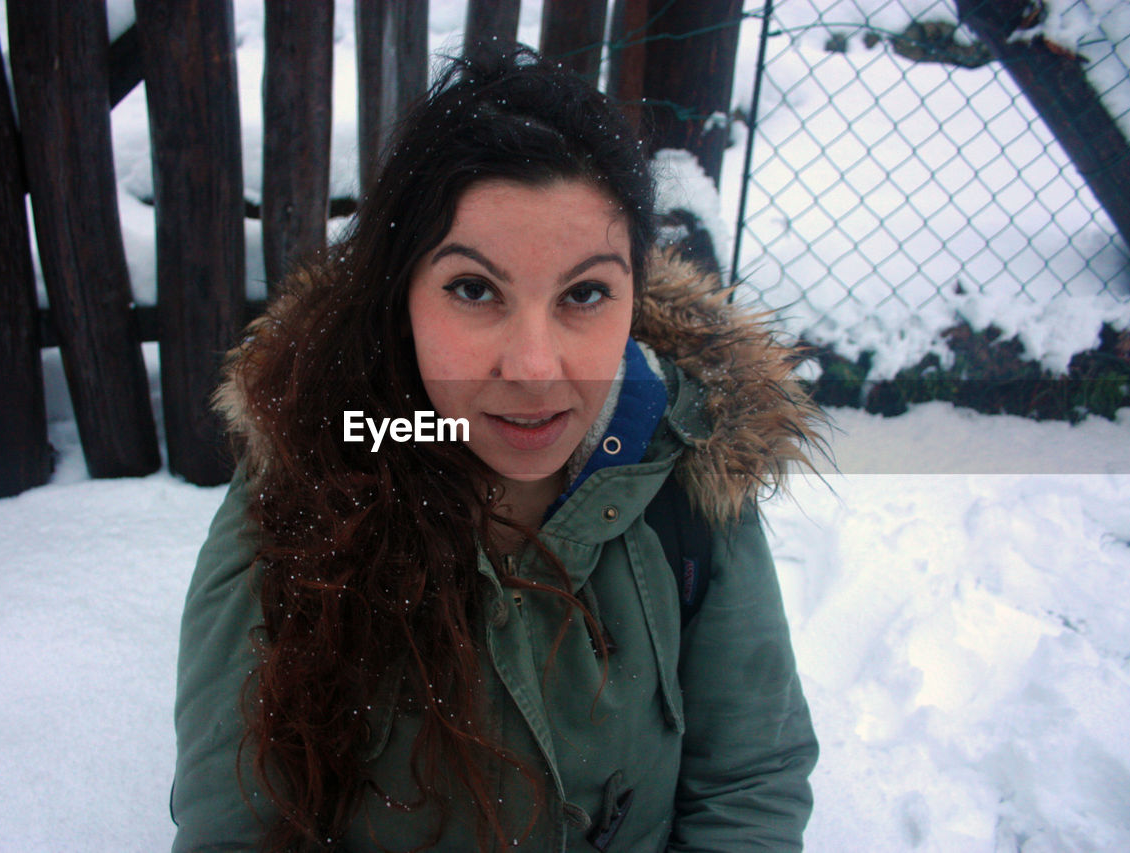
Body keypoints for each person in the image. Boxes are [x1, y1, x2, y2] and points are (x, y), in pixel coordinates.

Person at [171, 46, 823, 853]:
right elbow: (234, 828)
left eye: (584, 294)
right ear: (398, 294)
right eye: (474, 290)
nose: (534, 367)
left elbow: (749, 782)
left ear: (634, 293)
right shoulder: (299, 489)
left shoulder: (684, 472)